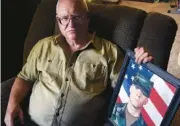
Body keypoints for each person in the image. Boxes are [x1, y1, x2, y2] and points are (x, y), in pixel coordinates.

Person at [4, 0, 153, 126]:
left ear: (87, 18)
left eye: (77, 17)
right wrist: (12, 104)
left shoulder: (109, 52)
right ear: (58, 21)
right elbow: (25, 77)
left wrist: (141, 63)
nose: (71, 24)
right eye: (64, 18)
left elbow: (128, 87)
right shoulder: (43, 46)